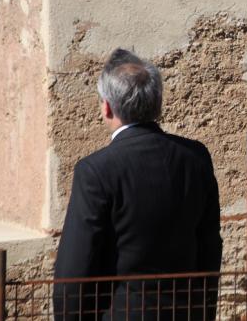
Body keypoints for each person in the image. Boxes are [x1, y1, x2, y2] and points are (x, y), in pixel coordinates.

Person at [53, 49, 222, 320]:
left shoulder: (96, 170)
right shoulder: (195, 157)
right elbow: (209, 246)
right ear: (157, 102)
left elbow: (76, 265)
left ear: (107, 107)